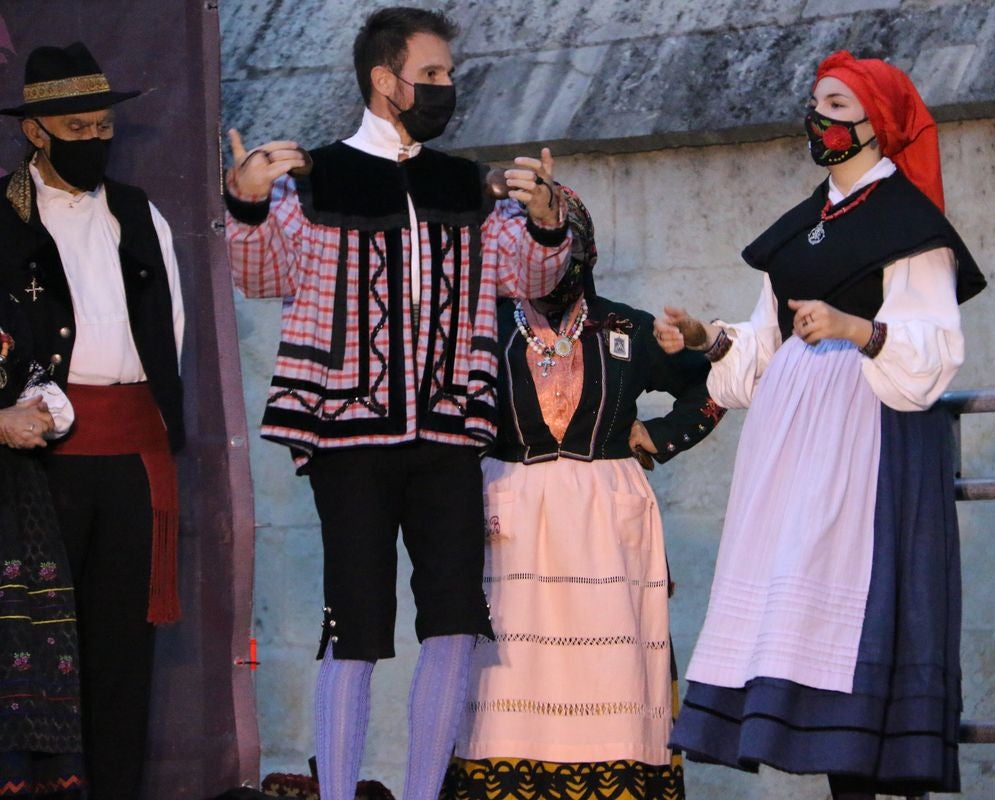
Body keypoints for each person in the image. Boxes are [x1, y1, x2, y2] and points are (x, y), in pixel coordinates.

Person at [222, 8, 579, 800]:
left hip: (450, 431)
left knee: (455, 618)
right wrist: (245, 202)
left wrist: (549, 220)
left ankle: (422, 792)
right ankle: (341, 792)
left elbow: (531, 278)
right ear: (386, 81)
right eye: (433, 74)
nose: (447, 86)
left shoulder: (465, 183)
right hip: (348, 433)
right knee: (355, 619)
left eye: (447, 74)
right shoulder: (315, 179)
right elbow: (258, 274)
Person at [654, 51, 985, 799]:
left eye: (839, 107)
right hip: (795, 449)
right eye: (819, 105)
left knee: (867, 635)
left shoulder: (909, 224)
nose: (823, 120)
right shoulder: (801, 227)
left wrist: (854, 328)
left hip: (875, 438)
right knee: (801, 630)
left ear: (878, 123)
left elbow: (931, 354)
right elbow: (759, 354)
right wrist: (707, 337)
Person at [440, 190, 722, 800]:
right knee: (505, 684)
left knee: (613, 680)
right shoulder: (481, 330)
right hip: (511, 528)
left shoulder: (628, 326)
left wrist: (659, 437)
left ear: (581, 245)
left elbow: (712, 386)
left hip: (608, 530)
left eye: (557, 236)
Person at [0, 43, 185, 799]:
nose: (96, 140)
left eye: (104, 125)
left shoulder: (141, 214)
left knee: (120, 653)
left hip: (131, 454)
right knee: (35, 646)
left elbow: (168, 337)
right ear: (36, 132)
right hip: (36, 461)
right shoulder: (2, 220)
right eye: (77, 128)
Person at [0, 293, 80, 797]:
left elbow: (36, 371)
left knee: (26, 658)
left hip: (15, 501)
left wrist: (42, 412)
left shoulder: (7, 298)